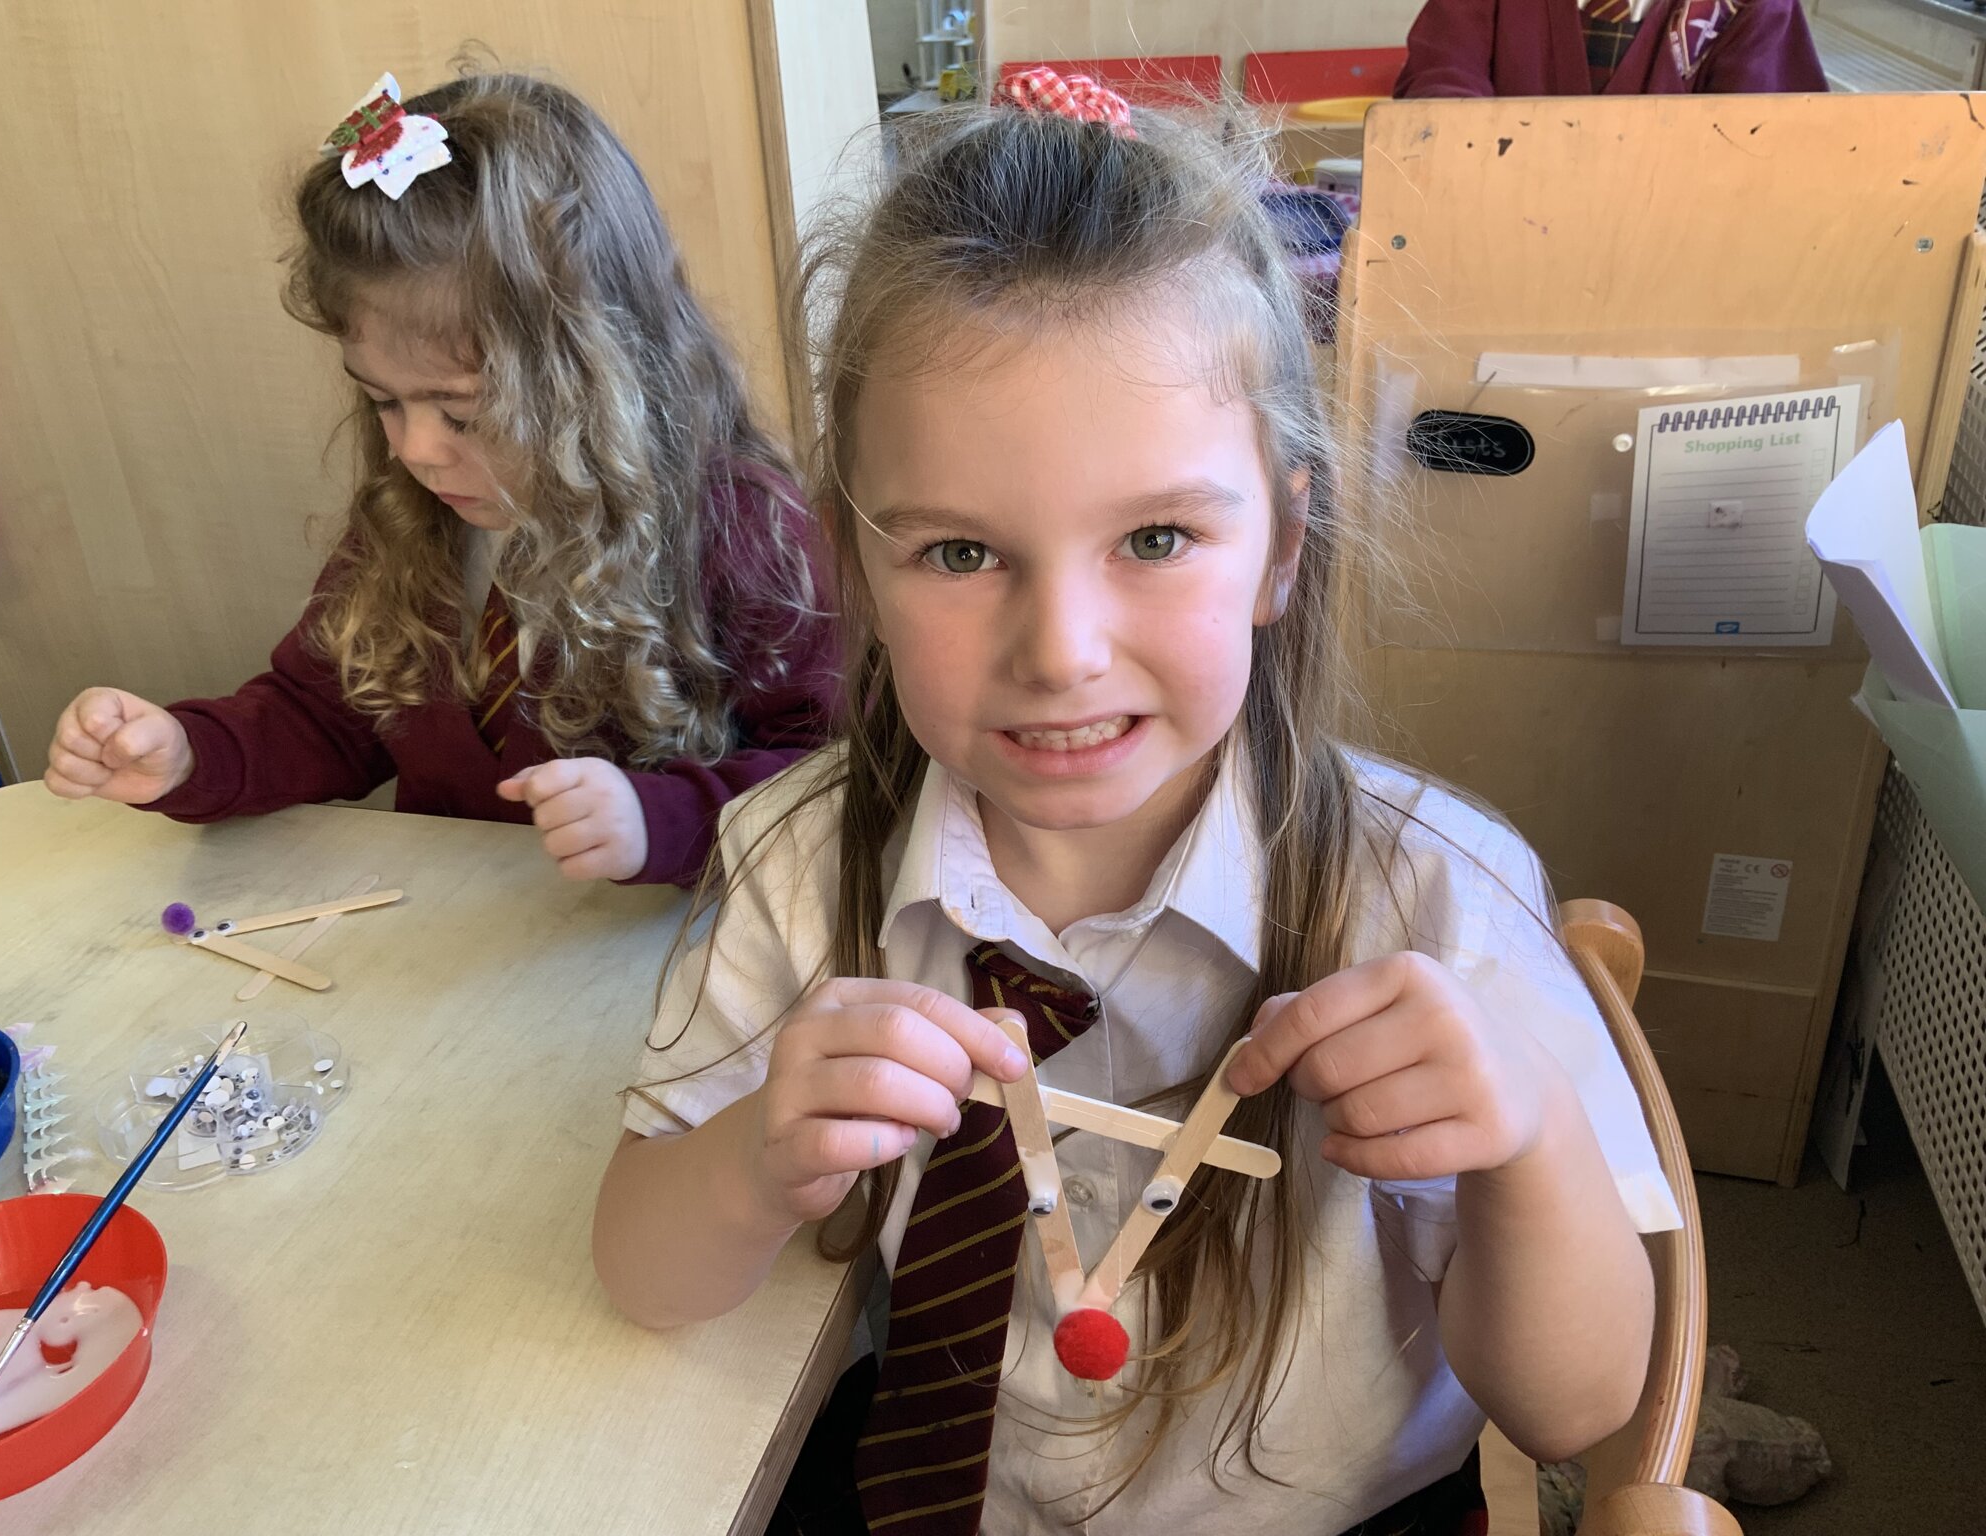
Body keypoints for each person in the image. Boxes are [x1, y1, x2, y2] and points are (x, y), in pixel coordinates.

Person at [594, 72, 1678, 1534]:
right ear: (856, 570)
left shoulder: (1435, 900)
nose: (1062, 652)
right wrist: (749, 1164)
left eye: (1156, 536)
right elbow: (644, 1276)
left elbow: (1575, 1407)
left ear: (1280, 550)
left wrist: (1531, 1136)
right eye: (961, 554)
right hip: (951, 1493)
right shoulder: (800, 867)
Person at [44, 71, 835, 887]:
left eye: (464, 413)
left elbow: (835, 783)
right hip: (452, 952)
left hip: (649, 965)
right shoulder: (410, 518)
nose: (417, 451)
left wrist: (661, 821)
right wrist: (188, 753)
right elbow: (326, 714)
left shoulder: (744, 529)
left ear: (604, 372)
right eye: (383, 400)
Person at [1395, 0, 1828, 97]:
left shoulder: (1749, 6)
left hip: (1676, 267)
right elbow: (1440, 87)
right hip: (1501, 244)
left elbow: (1771, 150)